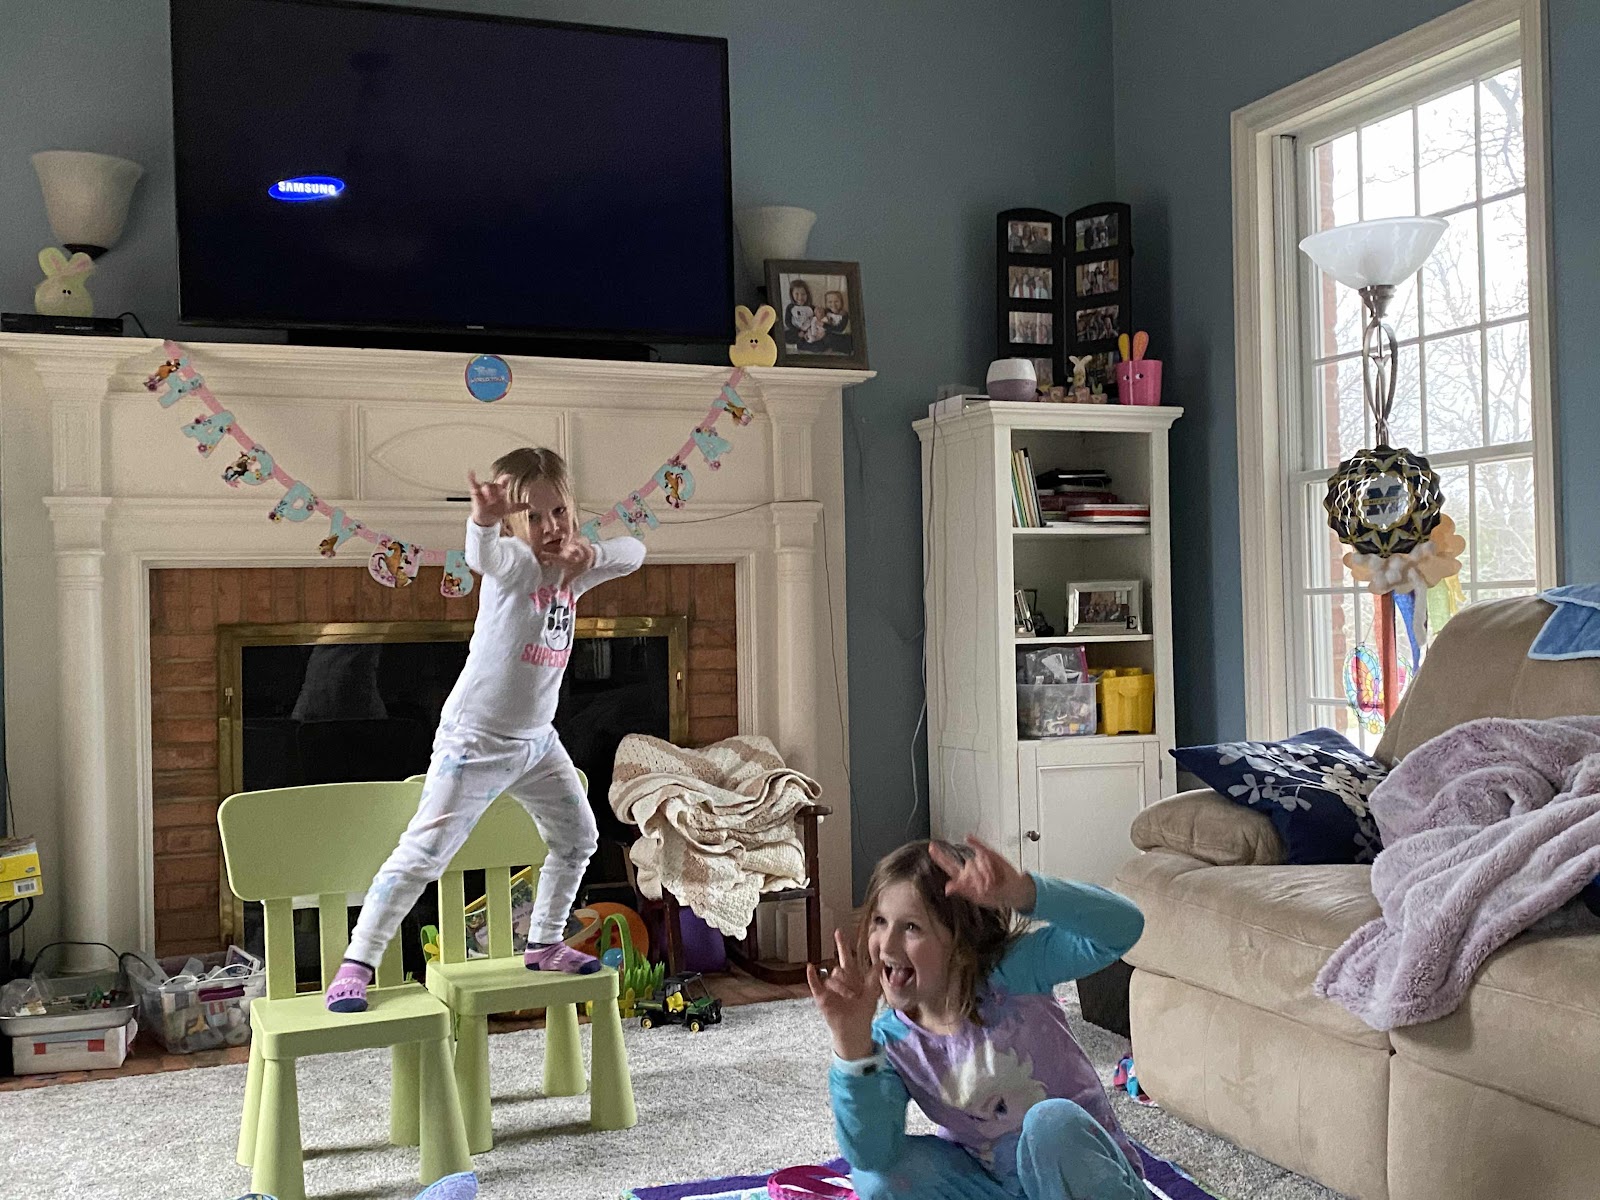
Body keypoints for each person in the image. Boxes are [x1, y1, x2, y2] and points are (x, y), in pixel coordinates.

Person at [325, 447, 645, 1012]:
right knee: (424, 853)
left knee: (579, 838)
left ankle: (544, 942)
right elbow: (483, 556)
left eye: (560, 512)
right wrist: (483, 521)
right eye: (533, 517)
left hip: (537, 743)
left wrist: (591, 552)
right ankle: (358, 962)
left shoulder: (573, 568)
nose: (550, 527)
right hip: (474, 740)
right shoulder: (516, 564)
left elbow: (634, 553)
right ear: (515, 524)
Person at [807, 835, 1147, 1199]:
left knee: (1049, 1123)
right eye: (879, 921)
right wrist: (853, 1047)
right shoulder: (893, 1041)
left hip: (1086, 1181)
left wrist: (1025, 893)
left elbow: (1124, 927)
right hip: (994, 1184)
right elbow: (870, 1153)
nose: (887, 945)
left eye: (911, 927)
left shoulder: (1015, 972)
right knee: (876, 1177)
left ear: (960, 938)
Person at [784, 279, 821, 349]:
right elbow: (787, 322)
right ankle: (801, 343)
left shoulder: (811, 308)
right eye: (797, 294)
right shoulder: (790, 307)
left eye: (803, 294)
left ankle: (801, 345)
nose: (800, 297)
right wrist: (798, 332)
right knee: (784, 335)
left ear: (807, 294)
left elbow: (815, 321)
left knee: (818, 343)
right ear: (792, 294)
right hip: (795, 331)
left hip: (808, 332)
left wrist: (807, 332)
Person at [821, 289, 853, 355]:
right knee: (827, 339)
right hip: (831, 335)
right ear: (826, 304)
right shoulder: (825, 312)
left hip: (842, 335)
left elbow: (840, 329)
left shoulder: (844, 314)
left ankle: (847, 350)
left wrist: (825, 325)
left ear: (841, 302)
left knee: (849, 340)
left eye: (836, 301)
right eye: (830, 302)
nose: (833, 304)